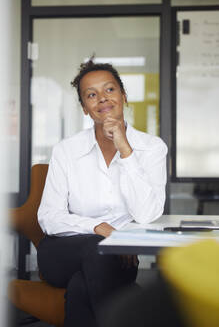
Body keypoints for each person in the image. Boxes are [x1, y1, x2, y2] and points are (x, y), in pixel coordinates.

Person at [37, 57, 168, 327]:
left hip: (115, 260)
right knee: (98, 250)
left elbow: (147, 214)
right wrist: (100, 228)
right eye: (91, 95)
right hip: (61, 252)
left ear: (123, 96)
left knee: (80, 288)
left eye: (109, 90)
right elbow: (48, 217)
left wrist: (125, 150)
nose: (102, 99)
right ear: (85, 108)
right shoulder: (66, 150)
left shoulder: (152, 148)